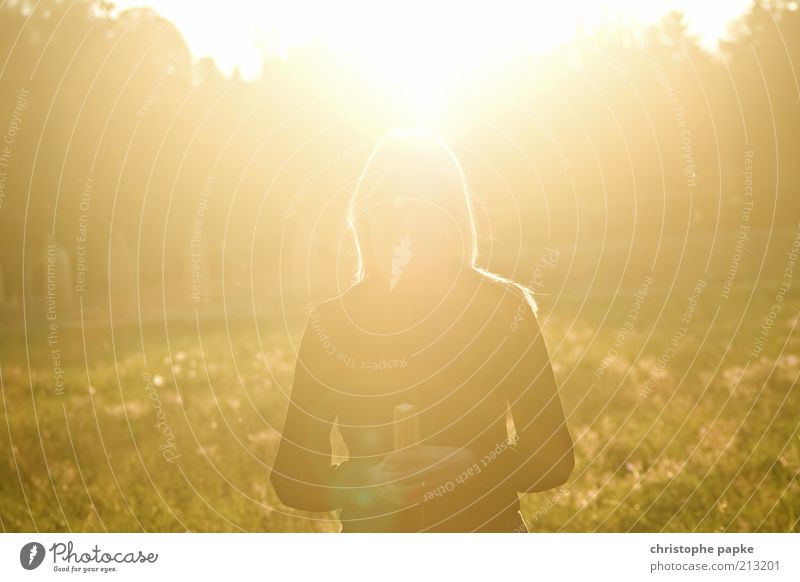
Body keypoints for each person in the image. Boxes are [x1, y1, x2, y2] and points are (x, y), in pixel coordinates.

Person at [270, 129, 574, 532]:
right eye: (389, 210)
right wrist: (370, 481)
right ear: (365, 217)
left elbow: (554, 459)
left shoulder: (502, 309)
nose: (406, 228)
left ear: (452, 219)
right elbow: (292, 478)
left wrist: (469, 465)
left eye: (425, 210)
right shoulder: (334, 323)